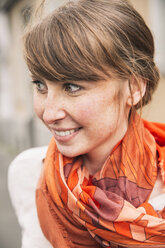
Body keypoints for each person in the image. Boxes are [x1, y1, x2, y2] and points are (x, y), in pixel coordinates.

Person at [8, 0, 165, 247]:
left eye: (71, 87)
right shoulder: (28, 173)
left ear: (134, 87)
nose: (48, 114)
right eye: (40, 85)